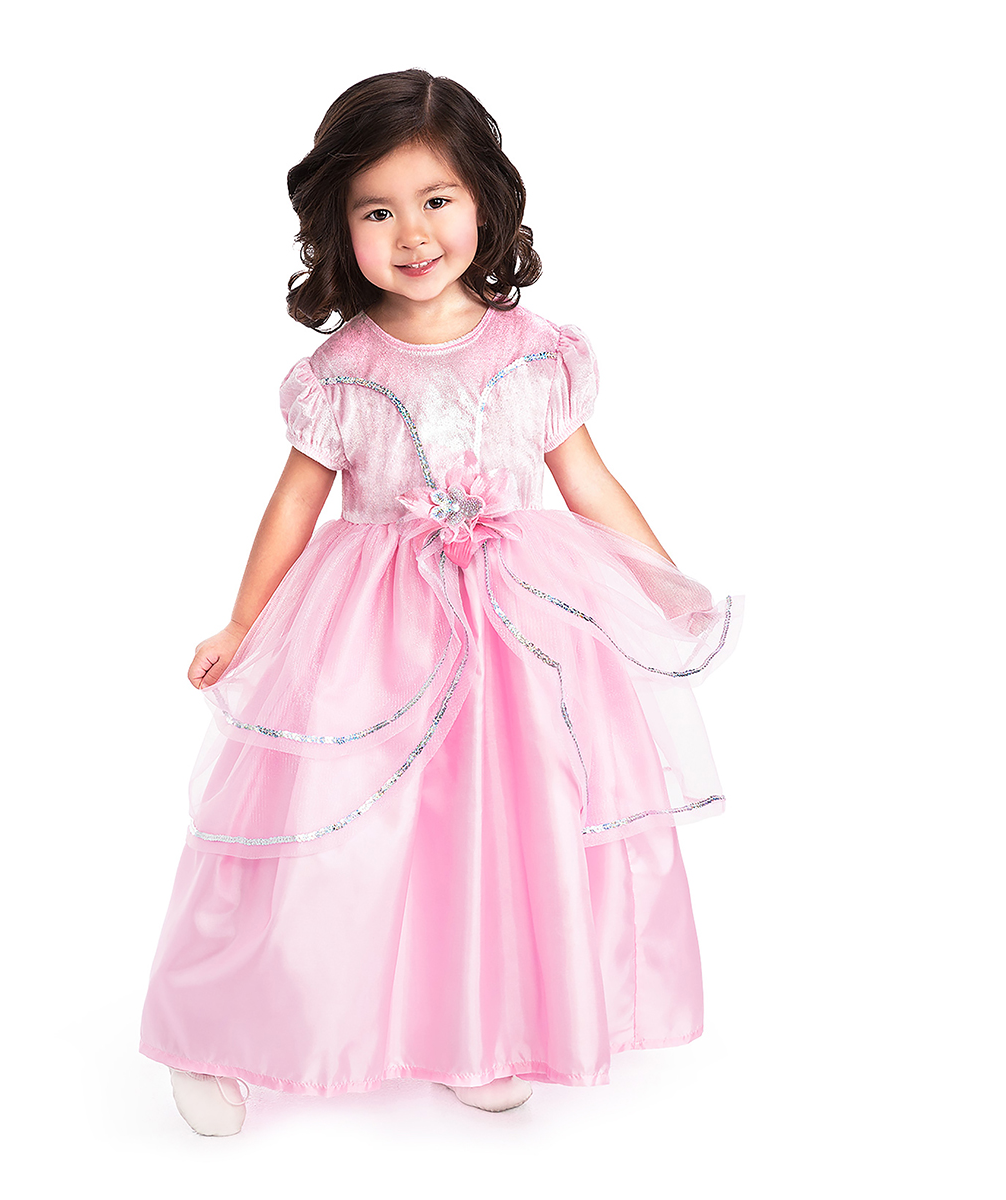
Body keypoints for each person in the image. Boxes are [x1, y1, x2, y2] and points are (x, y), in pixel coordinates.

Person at [139, 68, 744, 1136]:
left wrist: (658, 583)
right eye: (377, 211)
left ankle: (477, 1028)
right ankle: (217, 1036)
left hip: (519, 632)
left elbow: (588, 483)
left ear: (485, 202)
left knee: (500, 827)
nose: (412, 233)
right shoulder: (342, 371)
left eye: (435, 200)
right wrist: (242, 623)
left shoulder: (538, 353)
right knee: (333, 826)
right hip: (374, 632)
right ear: (339, 227)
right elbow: (294, 506)